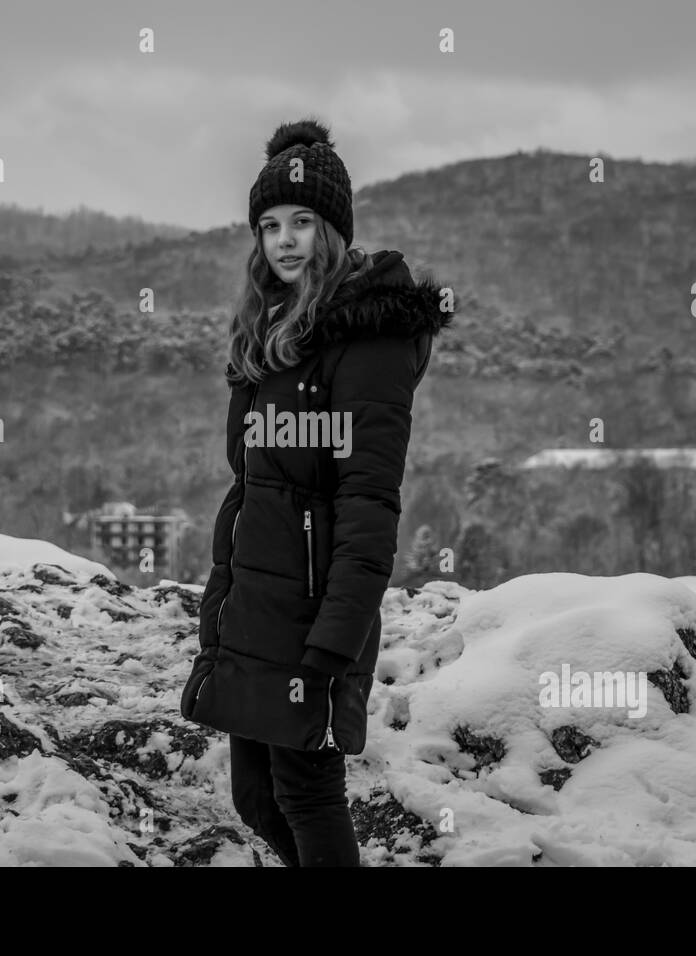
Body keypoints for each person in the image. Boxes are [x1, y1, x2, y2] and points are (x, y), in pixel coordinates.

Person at [179, 116, 454, 866]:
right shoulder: (271, 334)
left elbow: (368, 505)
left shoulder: (367, 345)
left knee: (306, 794)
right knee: (256, 798)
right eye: (269, 225)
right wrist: (223, 605)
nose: (285, 240)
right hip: (254, 613)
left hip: (310, 620)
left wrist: (334, 639)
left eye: (303, 221)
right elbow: (253, 489)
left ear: (332, 229)